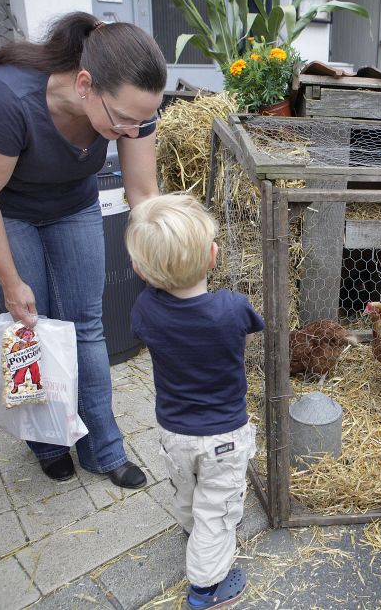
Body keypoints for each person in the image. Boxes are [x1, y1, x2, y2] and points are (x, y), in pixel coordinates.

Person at [0, 12, 166, 487]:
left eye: (143, 120)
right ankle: (47, 442)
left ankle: (103, 449)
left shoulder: (132, 111)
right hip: (0, 207)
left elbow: (143, 193)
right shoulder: (9, 97)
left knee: (85, 323)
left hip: (71, 202)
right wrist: (11, 283)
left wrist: (156, 250)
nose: (133, 131)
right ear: (85, 84)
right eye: (124, 120)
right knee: (32, 323)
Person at [125, 194, 264, 609]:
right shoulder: (233, 308)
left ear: (140, 270)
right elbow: (246, 336)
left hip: (175, 432)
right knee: (217, 514)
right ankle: (207, 589)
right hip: (224, 436)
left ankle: (193, 533)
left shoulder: (144, 309)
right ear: (213, 257)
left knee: (186, 491)